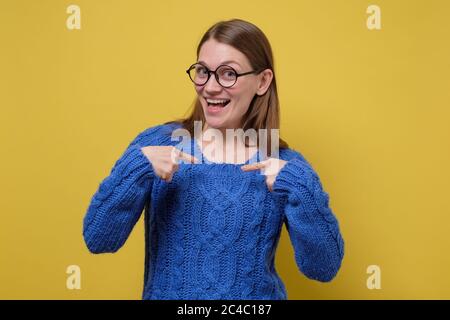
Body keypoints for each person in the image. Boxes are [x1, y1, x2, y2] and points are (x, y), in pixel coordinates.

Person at [83, 18, 344, 300]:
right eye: (203, 71)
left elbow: (324, 269)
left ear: (262, 81)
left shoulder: (284, 166)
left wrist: (301, 188)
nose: (210, 87)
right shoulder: (156, 145)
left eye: (228, 74)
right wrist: (137, 167)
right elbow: (98, 239)